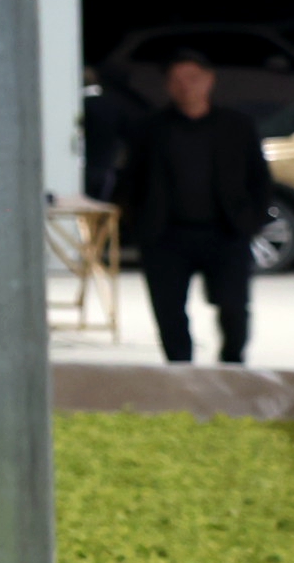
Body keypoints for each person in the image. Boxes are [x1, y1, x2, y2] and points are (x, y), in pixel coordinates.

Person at [114, 45, 277, 363]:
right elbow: (128, 181)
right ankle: (181, 373)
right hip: (166, 236)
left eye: (192, 77)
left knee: (233, 308)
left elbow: (260, 178)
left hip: (225, 232)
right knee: (169, 311)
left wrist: (252, 219)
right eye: (176, 79)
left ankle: (232, 367)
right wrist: (137, 223)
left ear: (209, 80)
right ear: (167, 85)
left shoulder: (236, 126)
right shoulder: (150, 128)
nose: (185, 85)